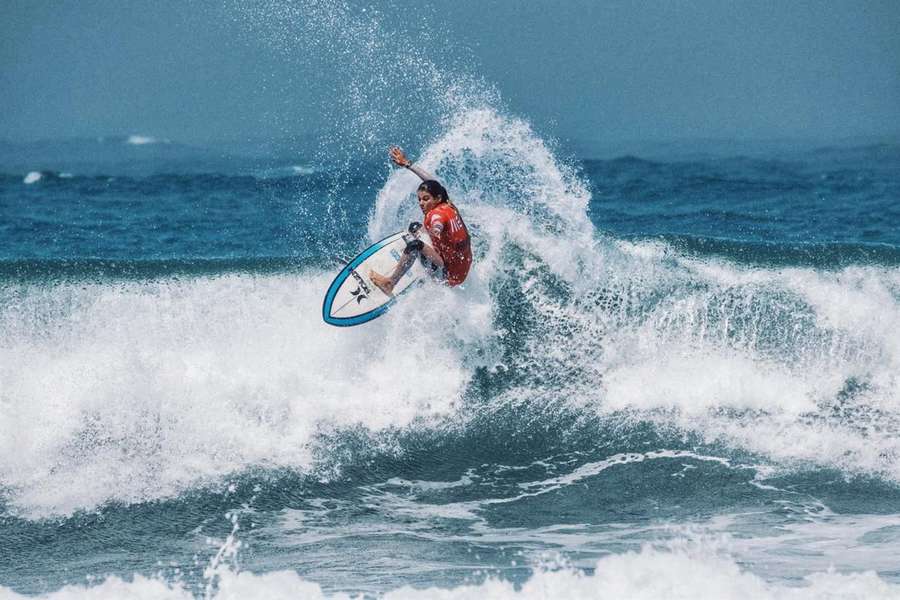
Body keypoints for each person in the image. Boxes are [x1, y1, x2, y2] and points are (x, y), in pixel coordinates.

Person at [369, 146, 472, 294]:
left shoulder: (437, 215)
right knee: (415, 227)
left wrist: (435, 231)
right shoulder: (448, 204)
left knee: (415, 244)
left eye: (426, 199)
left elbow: (438, 223)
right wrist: (407, 164)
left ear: (437, 198)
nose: (421, 203)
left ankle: (390, 283)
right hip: (461, 264)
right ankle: (407, 261)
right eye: (419, 199)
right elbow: (433, 182)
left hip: (450, 275)